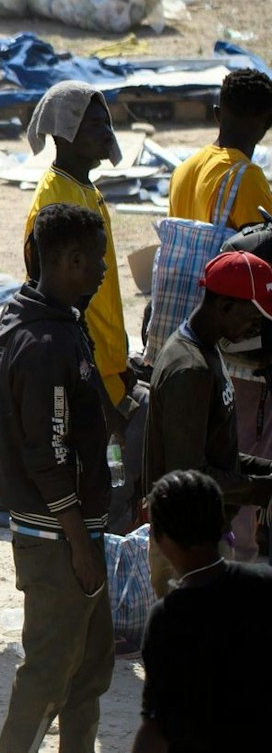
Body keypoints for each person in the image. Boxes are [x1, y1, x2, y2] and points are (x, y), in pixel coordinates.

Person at [0, 203, 116, 753]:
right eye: (98, 261)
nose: (105, 273)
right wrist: (79, 544)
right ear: (70, 261)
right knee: (46, 677)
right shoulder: (44, 343)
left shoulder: (62, 322)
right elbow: (48, 451)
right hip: (57, 541)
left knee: (88, 675)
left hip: (76, 535)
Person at [140, 250, 272, 595]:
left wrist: (262, 470)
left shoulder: (206, 350)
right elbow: (191, 476)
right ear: (225, 306)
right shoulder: (191, 369)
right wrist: (259, 489)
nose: (258, 327)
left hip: (200, 540)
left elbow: (214, 452)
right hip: (186, 548)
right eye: (254, 316)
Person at [133, 469, 272, 751]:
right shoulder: (262, 585)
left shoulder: (167, 618)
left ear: (160, 539)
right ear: (221, 523)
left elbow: (154, 727)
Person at [22, 82, 130, 406]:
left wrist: (119, 353)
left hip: (107, 357)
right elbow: (50, 294)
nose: (107, 133)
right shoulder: (53, 200)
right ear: (64, 132)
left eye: (107, 123)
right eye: (95, 125)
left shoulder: (87, 189)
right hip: (82, 359)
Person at [169, 69, 272, 226]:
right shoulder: (246, 178)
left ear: (217, 114)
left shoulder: (182, 171)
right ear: (268, 122)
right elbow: (263, 245)